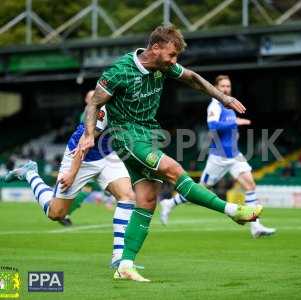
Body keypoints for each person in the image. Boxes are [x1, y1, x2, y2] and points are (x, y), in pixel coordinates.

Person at [77, 25, 263, 282]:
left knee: (147, 200)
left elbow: (192, 78)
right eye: (172, 55)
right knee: (174, 170)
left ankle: (125, 264)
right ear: (155, 48)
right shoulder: (120, 71)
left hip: (147, 135)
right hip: (125, 136)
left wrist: (223, 98)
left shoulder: (163, 66)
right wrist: (89, 135)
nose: (174, 61)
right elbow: (95, 102)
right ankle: (232, 211)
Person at [2, 91, 136, 267]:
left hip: (106, 154)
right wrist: (72, 173)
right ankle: (30, 174)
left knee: (128, 196)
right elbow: (85, 142)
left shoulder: (133, 106)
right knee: (56, 213)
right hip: (82, 155)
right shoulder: (103, 109)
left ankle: (119, 258)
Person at [160, 75, 276, 238]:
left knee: (250, 186)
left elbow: (228, 128)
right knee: (201, 190)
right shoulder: (214, 105)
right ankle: (169, 203)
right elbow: (213, 126)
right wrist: (235, 123)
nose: (226, 89)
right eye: (222, 86)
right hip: (219, 157)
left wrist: (234, 132)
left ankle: (256, 227)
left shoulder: (229, 106)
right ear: (215, 88)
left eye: (228, 86)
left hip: (235, 155)